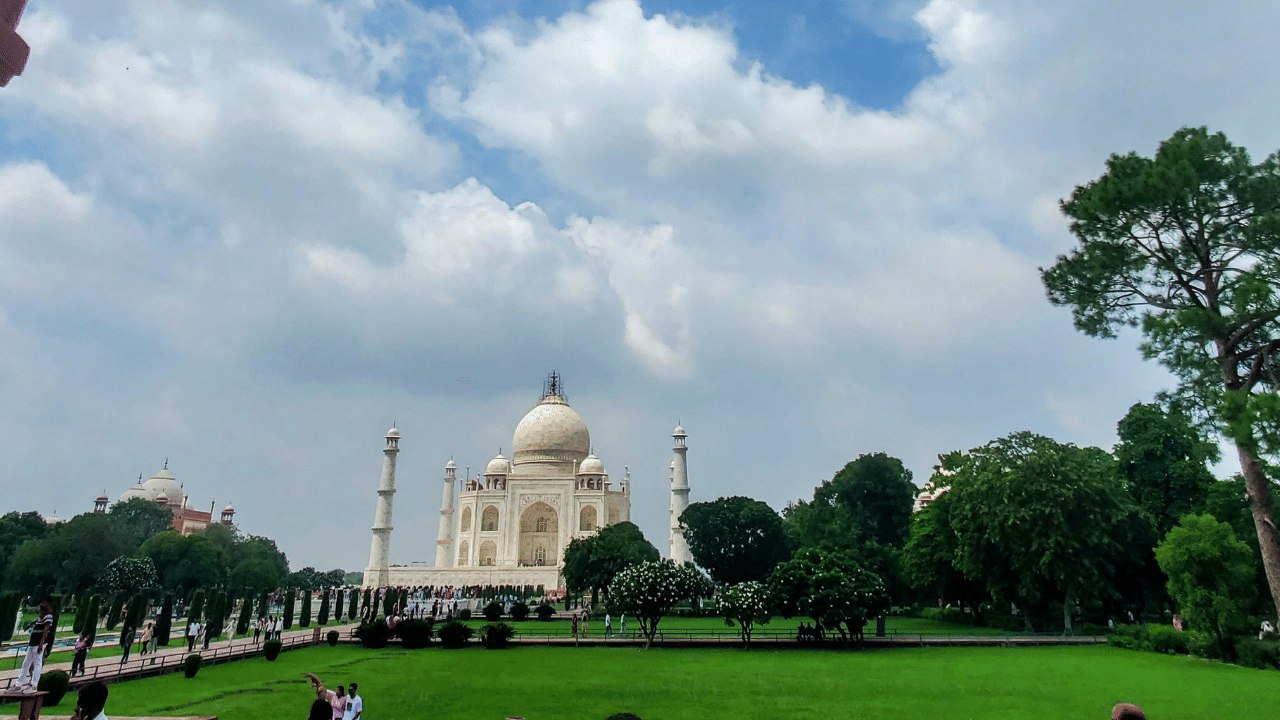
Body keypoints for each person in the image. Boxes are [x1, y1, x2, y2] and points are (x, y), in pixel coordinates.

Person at [17, 596, 54, 692]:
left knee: (37, 663)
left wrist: (41, 644)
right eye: (41, 602)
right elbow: (37, 623)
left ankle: (34, 684)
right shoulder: (42, 616)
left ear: (48, 604)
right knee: (26, 663)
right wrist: (30, 624)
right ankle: (19, 683)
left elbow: (46, 630)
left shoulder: (48, 616)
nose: (42, 604)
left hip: (38, 643)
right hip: (33, 643)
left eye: (44, 602)